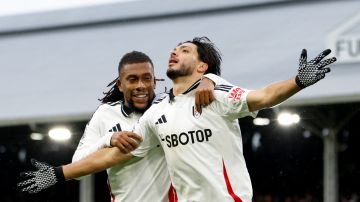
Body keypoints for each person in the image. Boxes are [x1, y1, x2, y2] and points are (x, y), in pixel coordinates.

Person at [18, 37, 336, 202]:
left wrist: (299, 81)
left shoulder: (216, 93)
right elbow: (115, 155)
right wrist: (59, 173)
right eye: (173, 49)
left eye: (184, 50)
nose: (174, 52)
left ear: (202, 67)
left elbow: (263, 97)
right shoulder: (156, 114)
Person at [18, 50, 217, 202]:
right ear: (120, 85)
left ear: (154, 82)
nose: (141, 85)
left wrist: (210, 80)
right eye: (132, 79)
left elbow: (208, 84)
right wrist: (108, 140)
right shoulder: (105, 114)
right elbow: (78, 163)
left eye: (147, 78)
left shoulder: (169, 106)